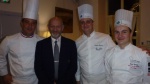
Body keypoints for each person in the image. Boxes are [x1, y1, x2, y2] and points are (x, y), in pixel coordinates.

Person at [0, 0, 43, 84]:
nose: (30, 26)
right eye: (27, 22)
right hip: (16, 80)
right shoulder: (9, 40)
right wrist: (4, 74)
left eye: (33, 23)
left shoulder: (42, 41)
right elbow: (0, 56)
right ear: (21, 23)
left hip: (36, 80)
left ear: (36, 25)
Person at [104, 9, 150, 84]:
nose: (120, 35)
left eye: (124, 32)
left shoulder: (143, 54)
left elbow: (147, 80)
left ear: (130, 34)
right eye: (117, 32)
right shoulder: (108, 53)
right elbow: (108, 76)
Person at [75, 4, 116, 84]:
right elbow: (77, 62)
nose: (85, 24)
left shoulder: (105, 38)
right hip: (85, 81)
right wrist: (77, 79)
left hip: (102, 80)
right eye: (82, 22)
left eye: (88, 21)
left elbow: (116, 54)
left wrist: (136, 51)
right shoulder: (77, 42)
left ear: (92, 23)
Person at [34, 17, 77, 84]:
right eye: (52, 26)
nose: (55, 29)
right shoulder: (40, 45)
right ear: (48, 27)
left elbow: (73, 67)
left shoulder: (71, 44)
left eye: (58, 26)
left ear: (62, 27)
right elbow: (38, 67)